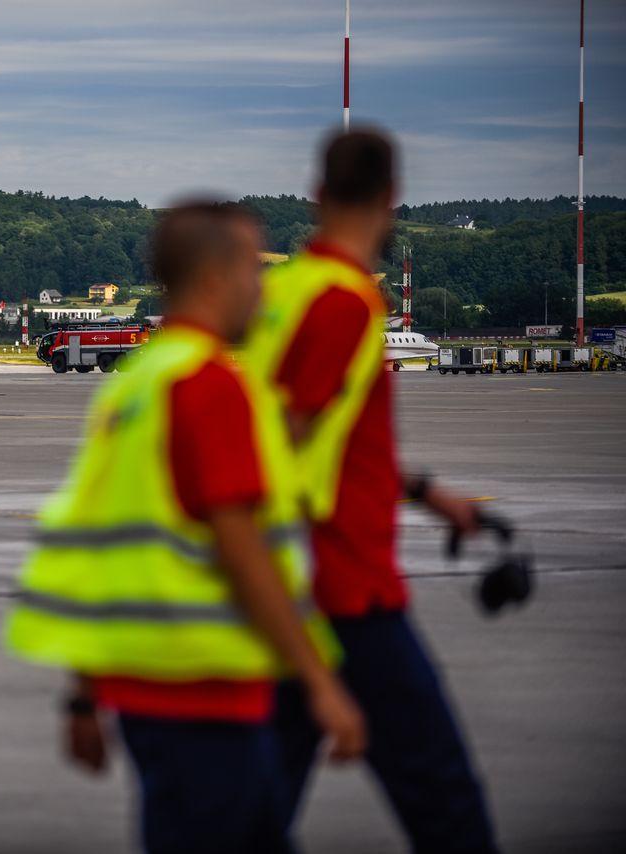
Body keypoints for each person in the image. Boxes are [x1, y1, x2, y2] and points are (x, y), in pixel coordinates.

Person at [4, 201, 366, 854]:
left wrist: (84, 697)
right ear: (215, 276)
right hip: (207, 694)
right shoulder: (207, 385)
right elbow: (242, 549)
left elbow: (103, 551)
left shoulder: (134, 384)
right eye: (252, 269)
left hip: (143, 691)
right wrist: (318, 680)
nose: (263, 286)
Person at [242, 128, 500, 853]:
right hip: (343, 586)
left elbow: (334, 438)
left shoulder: (283, 290)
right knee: (445, 798)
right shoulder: (347, 303)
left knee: (260, 810)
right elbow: (283, 435)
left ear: (317, 196)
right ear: (393, 199)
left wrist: (423, 491)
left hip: (294, 579)